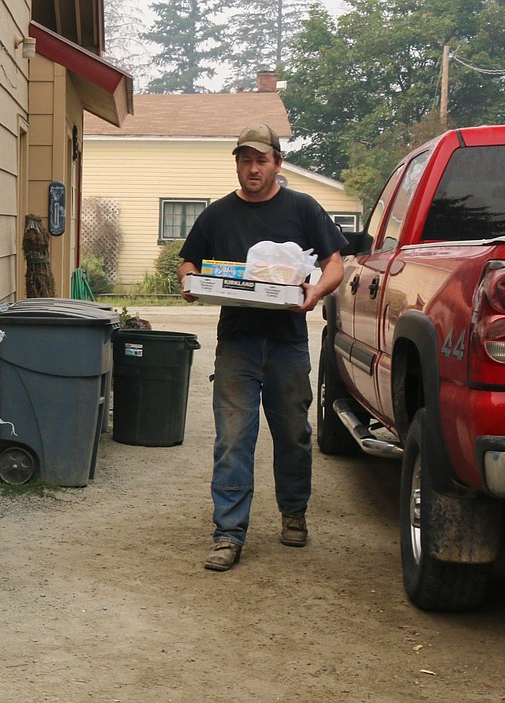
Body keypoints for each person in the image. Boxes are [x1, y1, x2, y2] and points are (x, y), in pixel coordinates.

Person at [176, 123, 347, 572]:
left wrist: (316, 293)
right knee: (233, 439)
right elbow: (189, 262)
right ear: (237, 162)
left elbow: (335, 263)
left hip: (288, 343)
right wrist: (189, 283)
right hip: (238, 344)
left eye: (261, 160)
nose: (252, 169)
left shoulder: (303, 208)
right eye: (245, 160)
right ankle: (228, 534)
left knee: (294, 434)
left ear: (277, 163)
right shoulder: (217, 215)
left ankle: (294, 514)